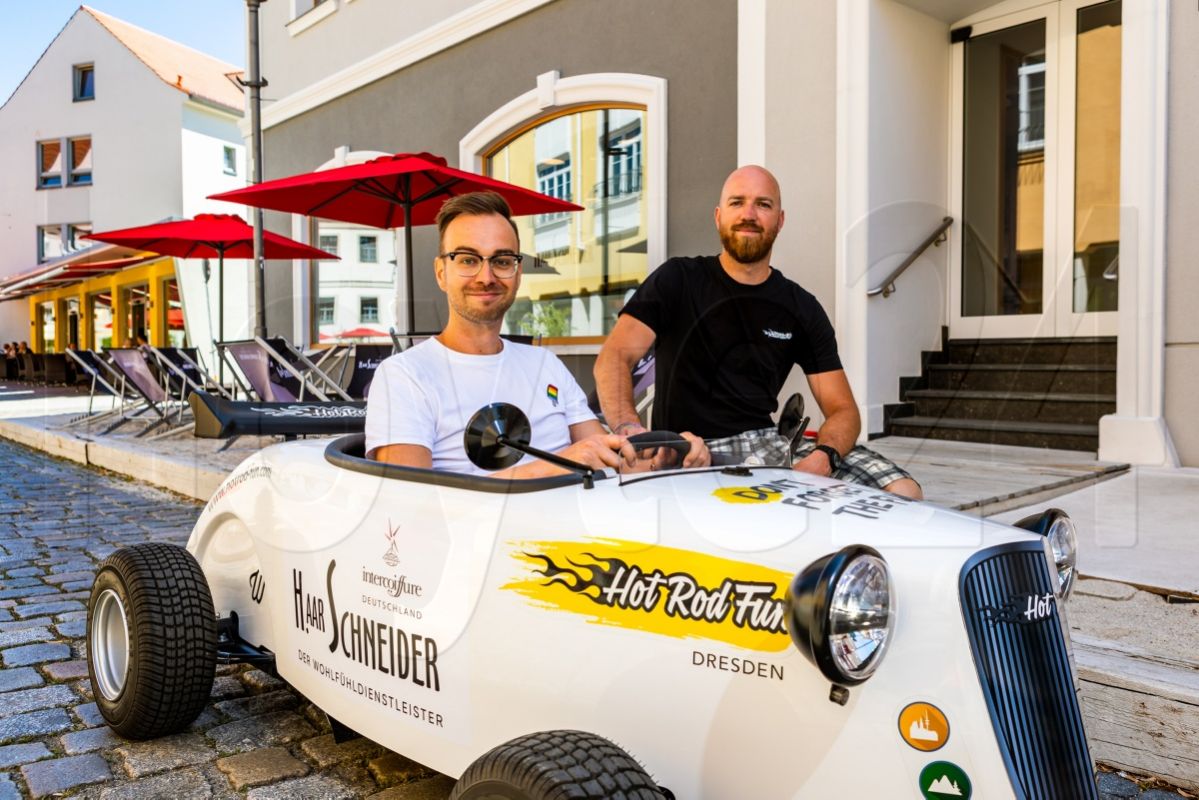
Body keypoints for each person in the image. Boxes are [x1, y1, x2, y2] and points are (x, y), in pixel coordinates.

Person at [595, 165, 922, 499]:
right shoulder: (677, 279)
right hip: (690, 450)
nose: (749, 214)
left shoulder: (800, 306)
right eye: (737, 203)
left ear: (780, 220)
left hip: (768, 444)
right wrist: (631, 432)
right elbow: (613, 359)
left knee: (904, 492)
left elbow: (843, 411)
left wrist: (825, 456)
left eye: (763, 205)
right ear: (718, 216)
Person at [365, 191, 709, 478]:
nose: (486, 276)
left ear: (517, 273)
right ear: (441, 272)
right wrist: (560, 466)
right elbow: (408, 505)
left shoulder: (544, 365)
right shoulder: (404, 376)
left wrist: (670, 457)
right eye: (468, 259)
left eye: (502, 261)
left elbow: (614, 460)